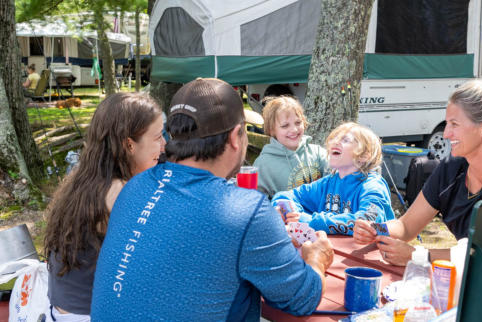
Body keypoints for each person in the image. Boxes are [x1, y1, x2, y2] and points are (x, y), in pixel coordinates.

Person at [90, 78, 334, 320]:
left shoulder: (134, 186)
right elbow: (303, 298)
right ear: (236, 137)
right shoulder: (246, 211)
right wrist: (317, 258)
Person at [352, 76, 482, 265]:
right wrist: (376, 228)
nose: (446, 134)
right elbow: (406, 226)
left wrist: (418, 256)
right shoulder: (452, 167)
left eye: (454, 124)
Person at [43, 92, 166, 320]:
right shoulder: (121, 193)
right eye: (158, 137)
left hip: (61, 311)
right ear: (129, 145)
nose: (164, 145)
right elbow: (158, 266)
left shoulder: (86, 179)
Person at [272, 122, 396, 235]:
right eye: (334, 139)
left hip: (372, 256)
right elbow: (285, 196)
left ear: (363, 156)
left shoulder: (373, 186)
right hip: (333, 253)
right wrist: (288, 211)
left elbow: (369, 221)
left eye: (345, 140)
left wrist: (311, 221)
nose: (335, 142)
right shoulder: (328, 182)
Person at [253, 96, 328, 197]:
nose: (294, 130)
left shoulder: (318, 153)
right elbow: (257, 204)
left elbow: (337, 179)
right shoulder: (262, 165)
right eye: (285, 126)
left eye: (298, 123)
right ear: (271, 130)